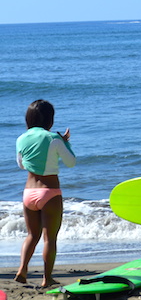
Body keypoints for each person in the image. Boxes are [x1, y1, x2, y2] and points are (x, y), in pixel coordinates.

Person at [15, 100, 76, 287]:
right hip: (49, 193)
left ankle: (22, 270)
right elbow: (71, 162)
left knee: (32, 235)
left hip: (28, 193)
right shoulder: (53, 139)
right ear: (50, 120)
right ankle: (47, 278)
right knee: (50, 238)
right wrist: (66, 143)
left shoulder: (21, 138)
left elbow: (21, 164)